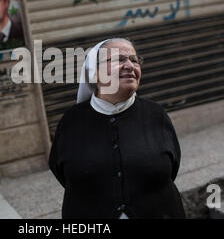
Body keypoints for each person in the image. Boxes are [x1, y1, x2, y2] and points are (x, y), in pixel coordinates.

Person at [49, 38, 186, 219]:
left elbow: (171, 167)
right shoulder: (71, 122)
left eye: (134, 60)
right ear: (95, 74)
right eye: (118, 60)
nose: (129, 65)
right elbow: (62, 173)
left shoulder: (156, 115)